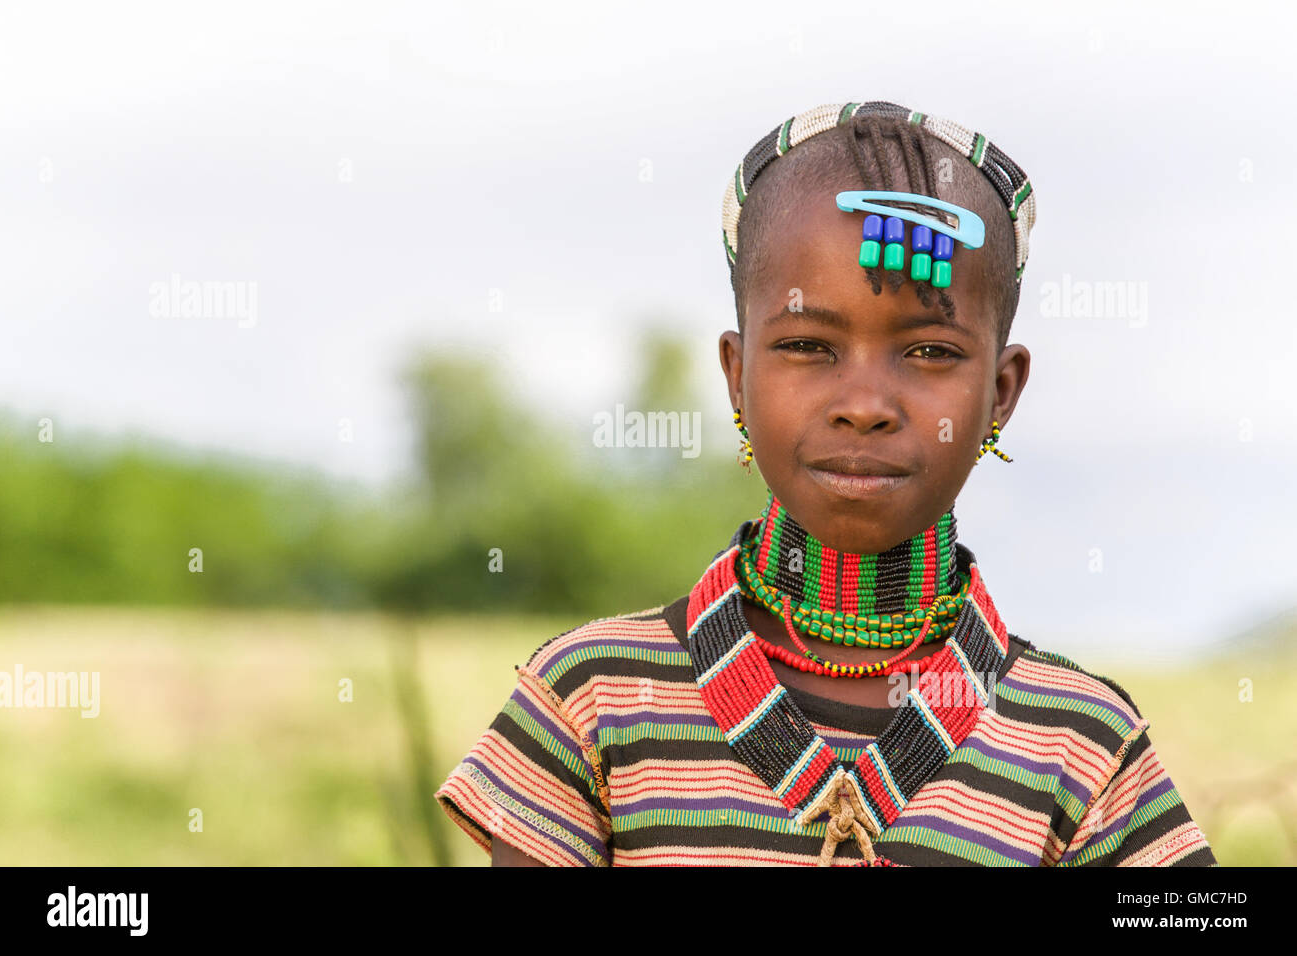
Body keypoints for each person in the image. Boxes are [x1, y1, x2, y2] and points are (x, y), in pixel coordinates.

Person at [433, 101, 1217, 867]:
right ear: (738, 378)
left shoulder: (1081, 746)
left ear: (1001, 395)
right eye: (809, 344)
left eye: (931, 352)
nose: (865, 406)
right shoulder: (592, 703)